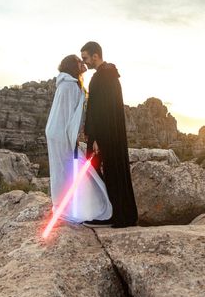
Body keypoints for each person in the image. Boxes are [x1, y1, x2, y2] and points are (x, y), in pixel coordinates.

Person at [44, 54, 112, 224]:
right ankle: (75, 209)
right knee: (69, 171)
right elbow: (69, 116)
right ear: (73, 67)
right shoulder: (69, 86)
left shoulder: (69, 84)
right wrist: (72, 138)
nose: (83, 63)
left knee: (64, 171)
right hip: (61, 134)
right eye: (79, 61)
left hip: (58, 133)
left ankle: (68, 206)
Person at [81, 41, 138, 228]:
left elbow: (99, 110)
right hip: (111, 134)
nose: (85, 63)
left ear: (95, 56)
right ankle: (121, 213)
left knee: (95, 169)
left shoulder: (100, 78)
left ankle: (111, 213)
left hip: (103, 135)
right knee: (114, 171)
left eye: (86, 58)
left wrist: (96, 137)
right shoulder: (111, 76)